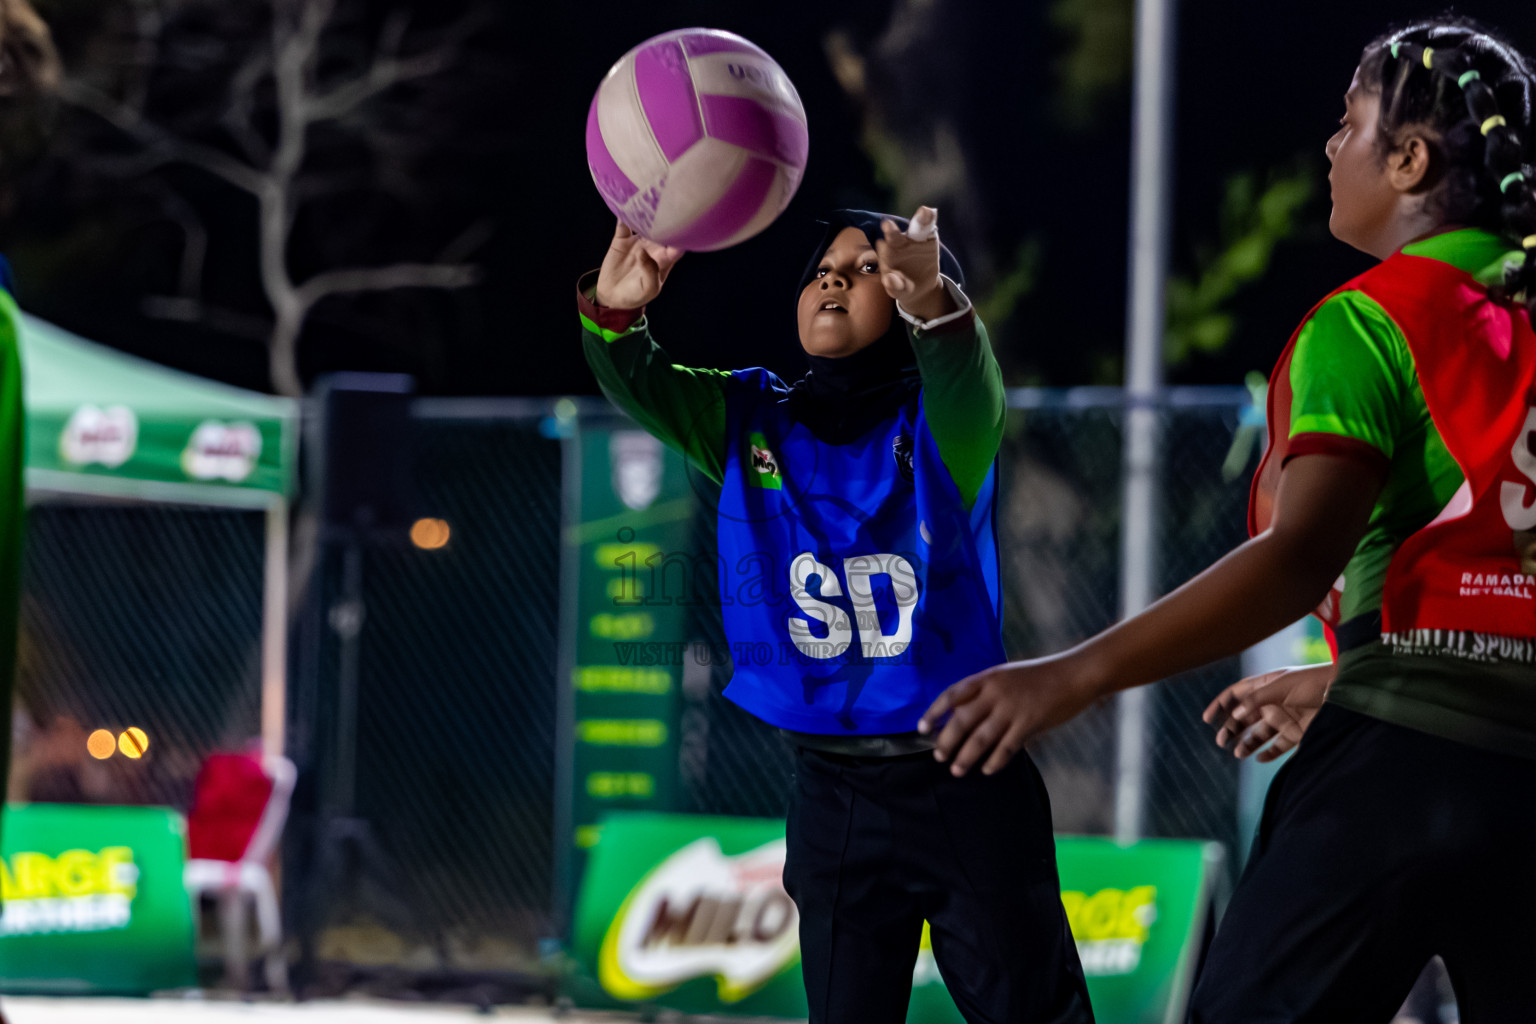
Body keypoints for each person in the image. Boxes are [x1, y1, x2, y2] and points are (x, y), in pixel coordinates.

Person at [917, 15, 1536, 1022]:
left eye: (1349, 123)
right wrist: (1343, 673)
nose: (1330, 146)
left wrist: (1073, 675)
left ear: (1410, 161)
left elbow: (1299, 559)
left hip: (1400, 762)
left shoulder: (1375, 318)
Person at [580, 208, 1092, 1023]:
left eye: (864, 268)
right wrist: (617, 312)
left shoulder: (944, 424)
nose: (833, 277)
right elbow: (637, 379)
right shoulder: (749, 417)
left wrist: (934, 300)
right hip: (831, 789)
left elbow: (967, 374)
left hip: (964, 780)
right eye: (823, 267)